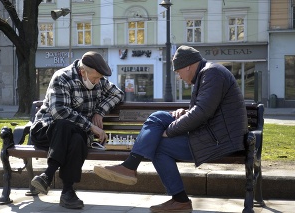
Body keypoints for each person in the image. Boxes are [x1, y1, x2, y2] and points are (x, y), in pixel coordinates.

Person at [93, 45, 248, 213]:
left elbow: (202, 112)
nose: (179, 77)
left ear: (188, 65)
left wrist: (171, 130)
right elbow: (206, 110)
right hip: (213, 135)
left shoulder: (212, 73)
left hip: (220, 141)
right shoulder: (207, 73)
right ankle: (135, 170)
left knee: (159, 145)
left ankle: (136, 170)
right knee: (158, 117)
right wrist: (186, 112)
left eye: (178, 71)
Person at [30, 51, 124, 209]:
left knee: (76, 139)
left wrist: (99, 111)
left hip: (72, 136)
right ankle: (65, 188)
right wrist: (91, 126)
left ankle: (50, 178)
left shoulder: (98, 80)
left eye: (99, 78)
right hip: (47, 130)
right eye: (94, 78)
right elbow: (59, 112)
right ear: (82, 72)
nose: (97, 82)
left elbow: (117, 94)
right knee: (64, 125)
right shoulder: (62, 77)